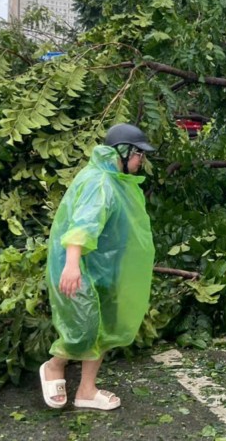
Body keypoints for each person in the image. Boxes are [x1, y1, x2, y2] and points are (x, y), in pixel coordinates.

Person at [39, 123, 156, 411]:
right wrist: (72, 264)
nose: (142, 160)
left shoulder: (116, 180)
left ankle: (87, 390)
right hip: (80, 267)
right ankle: (54, 367)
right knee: (83, 329)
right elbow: (83, 224)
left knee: (102, 328)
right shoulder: (100, 182)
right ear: (123, 151)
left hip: (103, 268)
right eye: (139, 153)